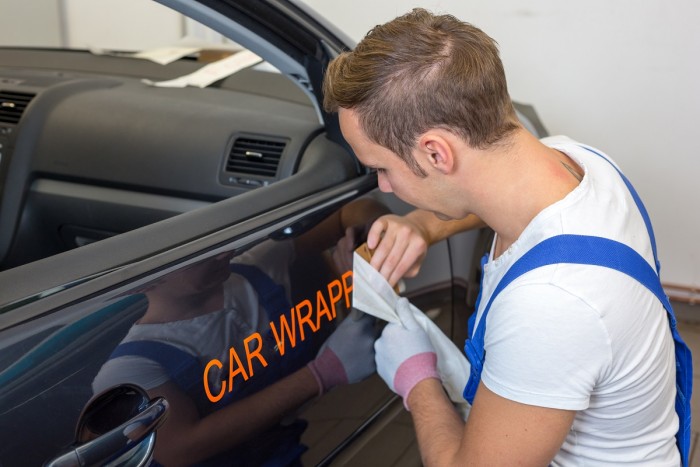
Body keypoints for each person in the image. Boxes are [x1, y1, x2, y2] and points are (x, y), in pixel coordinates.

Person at [323, 8, 691, 466]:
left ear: (436, 152)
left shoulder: (553, 302)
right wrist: (421, 224)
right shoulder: (575, 161)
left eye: (381, 168)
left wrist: (418, 380)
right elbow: (489, 198)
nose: (382, 187)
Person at [92, 197, 388, 466]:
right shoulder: (128, 370)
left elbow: (346, 213)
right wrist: (320, 374)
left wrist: (376, 235)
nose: (223, 252)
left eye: (218, 238)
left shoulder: (258, 268)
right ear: (141, 281)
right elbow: (179, 449)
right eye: (198, 251)